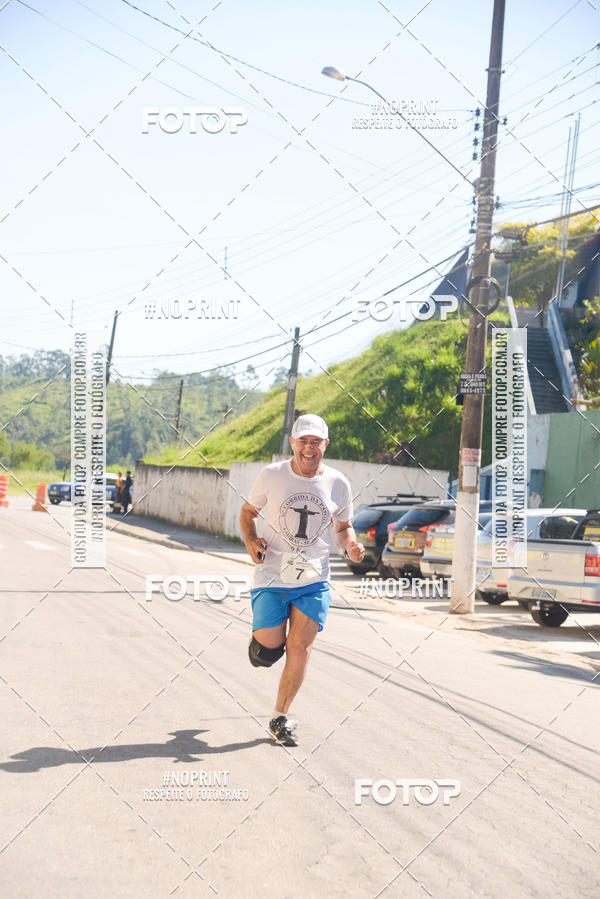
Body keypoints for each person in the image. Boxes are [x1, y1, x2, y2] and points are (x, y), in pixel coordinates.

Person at [240, 414, 365, 747]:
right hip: (272, 574)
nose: (309, 448)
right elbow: (248, 513)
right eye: (303, 441)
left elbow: (342, 526)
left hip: (314, 578)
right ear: (293, 443)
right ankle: (264, 648)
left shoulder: (338, 483)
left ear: (326, 445)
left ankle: (279, 718)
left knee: (300, 649)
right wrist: (252, 541)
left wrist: (351, 544)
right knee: (268, 652)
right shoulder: (271, 475)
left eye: (316, 442)